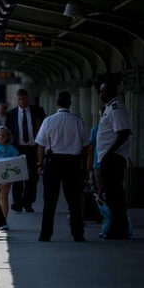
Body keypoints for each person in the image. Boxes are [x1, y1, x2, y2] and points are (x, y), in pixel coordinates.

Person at [34, 91, 90, 242]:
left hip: (53, 162)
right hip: (73, 163)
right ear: (70, 103)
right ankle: (78, 234)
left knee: (49, 201)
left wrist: (40, 164)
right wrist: (86, 168)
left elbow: (40, 146)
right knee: (74, 201)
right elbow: (86, 147)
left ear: (56, 103)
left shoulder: (48, 121)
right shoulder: (78, 121)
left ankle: (45, 234)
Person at [96, 81, 132, 240]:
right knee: (111, 194)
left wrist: (110, 152)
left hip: (113, 158)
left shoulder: (116, 108)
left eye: (103, 91)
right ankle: (117, 227)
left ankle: (119, 229)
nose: (101, 94)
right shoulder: (110, 108)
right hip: (109, 157)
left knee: (115, 194)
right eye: (100, 91)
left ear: (111, 92)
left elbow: (123, 132)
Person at [6, 88, 46, 213]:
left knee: (33, 177)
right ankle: (17, 202)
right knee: (17, 175)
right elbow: (8, 132)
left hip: (33, 148)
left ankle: (28, 203)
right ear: (17, 99)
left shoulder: (38, 111)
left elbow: (44, 128)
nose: (22, 101)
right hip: (18, 148)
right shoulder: (11, 114)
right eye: (19, 99)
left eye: (24, 98)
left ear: (28, 98)